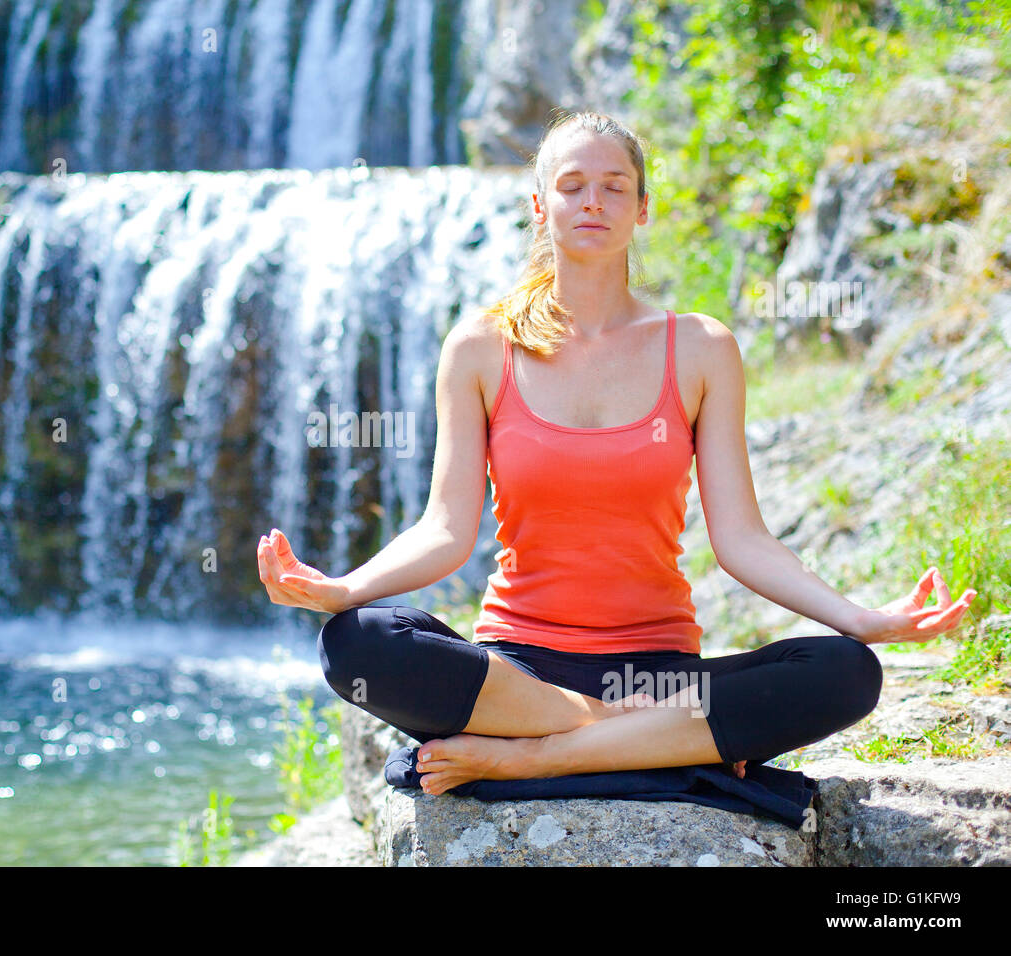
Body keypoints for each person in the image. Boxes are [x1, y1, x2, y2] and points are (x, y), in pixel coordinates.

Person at [255, 110, 977, 797]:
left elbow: (743, 540)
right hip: (520, 676)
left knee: (845, 670)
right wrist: (345, 590)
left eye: (614, 186)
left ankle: (533, 761)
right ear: (540, 206)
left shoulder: (700, 348)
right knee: (357, 643)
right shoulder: (480, 348)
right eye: (571, 186)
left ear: (643, 209)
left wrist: (861, 619)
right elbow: (446, 529)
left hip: (657, 679)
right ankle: (637, 742)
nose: (592, 201)